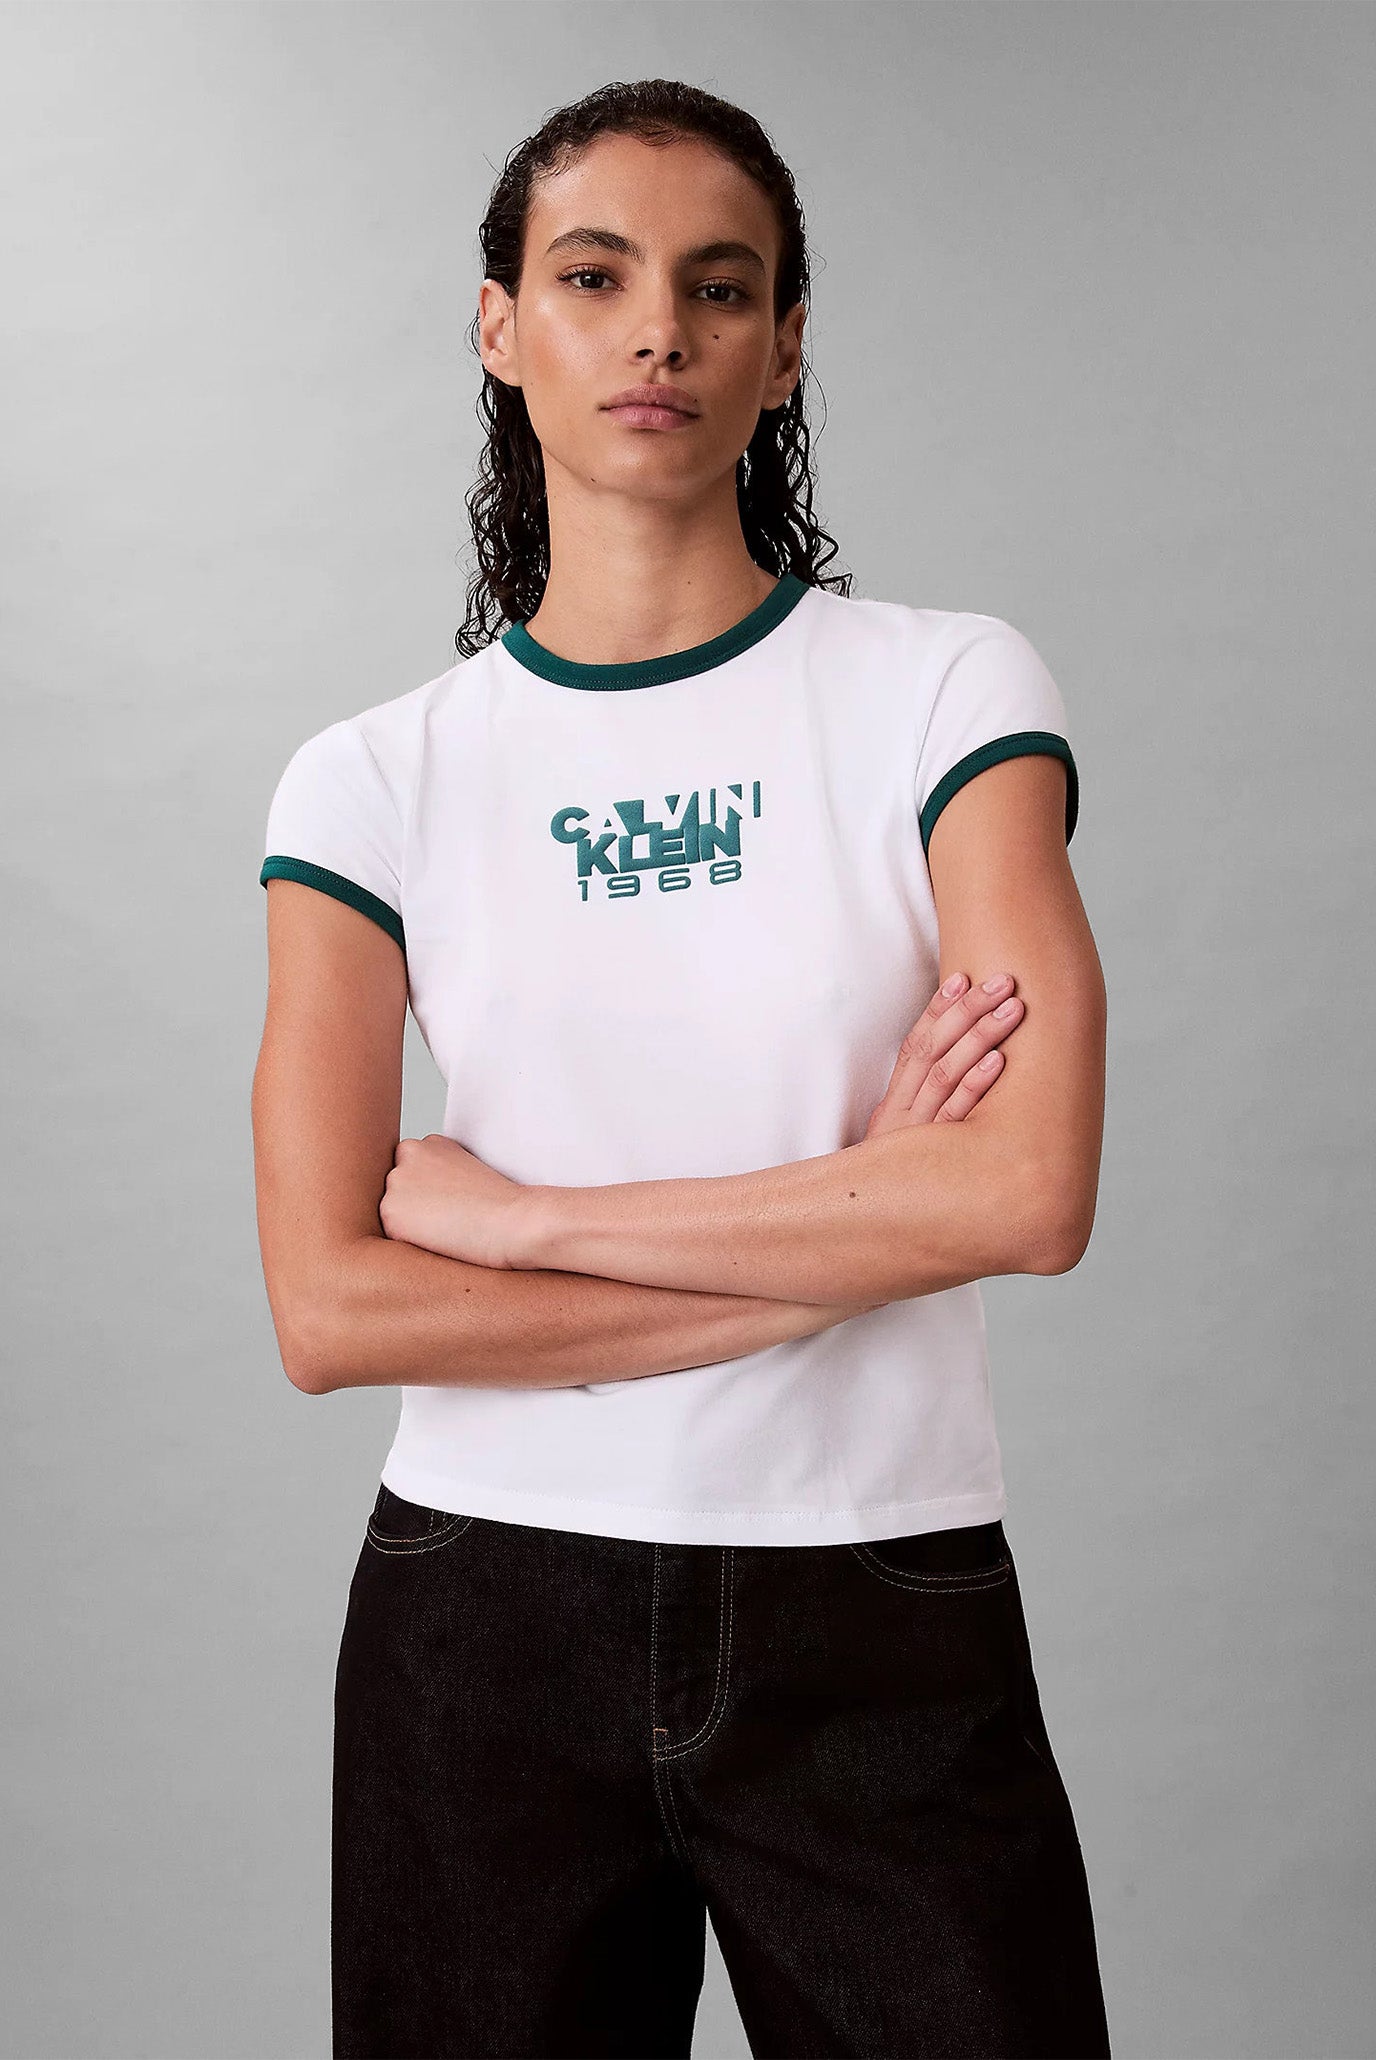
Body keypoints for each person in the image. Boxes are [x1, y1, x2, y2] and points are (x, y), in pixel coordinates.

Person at [251, 76, 1111, 2060]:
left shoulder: (945, 691)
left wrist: (521, 1221)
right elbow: (330, 1309)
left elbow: (1023, 1192)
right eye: (594, 277)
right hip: (482, 1621)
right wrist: (842, 1240)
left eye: (720, 288)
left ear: (783, 346)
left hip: (877, 1595)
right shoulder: (371, 782)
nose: (659, 329)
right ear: (500, 326)